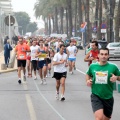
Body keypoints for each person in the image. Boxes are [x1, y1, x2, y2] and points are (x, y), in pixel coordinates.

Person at [86, 48, 120, 120]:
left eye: (105, 54)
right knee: (99, 118)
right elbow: (87, 74)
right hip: (96, 95)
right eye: (101, 54)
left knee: (105, 119)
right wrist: (88, 80)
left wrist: (116, 77)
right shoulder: (93, 66)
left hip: (108, 97)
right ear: (98, 55)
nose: (103, 56)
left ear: (108, 56)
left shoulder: (113, 67)